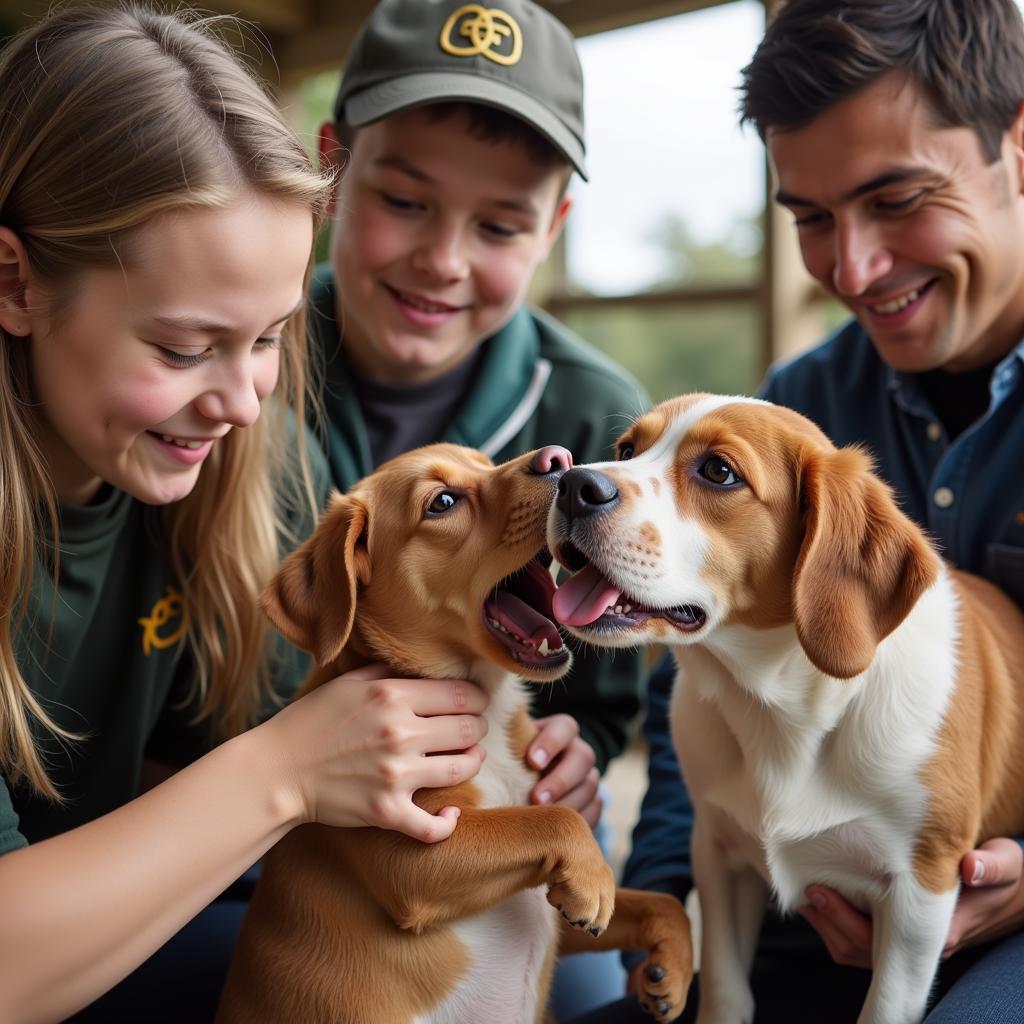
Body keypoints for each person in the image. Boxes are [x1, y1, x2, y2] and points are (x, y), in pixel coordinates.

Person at [0, 6, 492, 1021]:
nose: (241, 399)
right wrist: (286, 769)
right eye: (183, 348)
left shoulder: (251, 470)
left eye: (268, 336)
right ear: (15, 282)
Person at [567, 1, 1024, 1021]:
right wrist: (672, 927)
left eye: (898, 198)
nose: (851, 269)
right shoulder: (799, 405)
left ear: (1018, 142)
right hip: (797, 904)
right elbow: (695, 693)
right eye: (810, 219)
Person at [311, 2, 649, 1012]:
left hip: (484, 853)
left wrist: (568, 758)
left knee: (591, 992)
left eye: (499, 225)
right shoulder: (225, 371)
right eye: (405, 202)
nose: (443, 260)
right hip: (251, 862)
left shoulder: (595, 419)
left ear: (552, 228)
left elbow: (596, 693)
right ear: (330, 168)